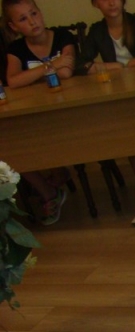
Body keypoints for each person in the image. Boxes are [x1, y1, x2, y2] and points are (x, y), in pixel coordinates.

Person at [77, 0, 135, 226]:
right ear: (96, 4)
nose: (111, 2)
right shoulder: (97, 31)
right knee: (125, 129)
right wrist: (111, 67)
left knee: (129, 132)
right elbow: (82, 64)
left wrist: (129, 65)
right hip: (120, 94)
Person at [2, 0, 74, 225]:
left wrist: (32, 76)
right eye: (23, 19)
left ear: (40, 13)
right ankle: (49, 193)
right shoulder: (16, 49)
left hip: (67, 109)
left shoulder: (62, 36)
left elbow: (66, 72)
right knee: (11, 147)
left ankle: (59, 171)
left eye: (34, 13)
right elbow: (13, 81)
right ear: (14, 26)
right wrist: (51, 65)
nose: (32, 21)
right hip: (35, 113)